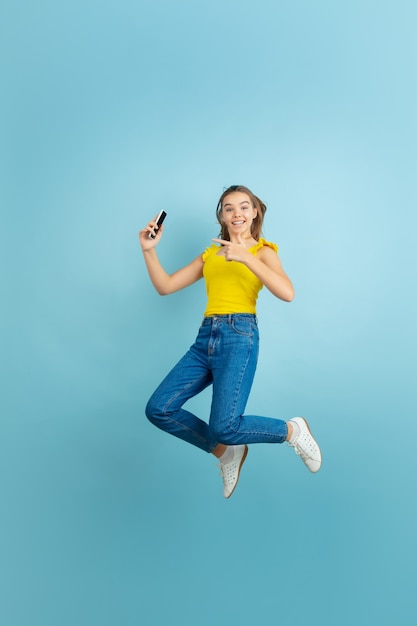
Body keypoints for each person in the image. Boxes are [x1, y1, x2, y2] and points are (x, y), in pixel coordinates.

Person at [139, 185, 322, 498]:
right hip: (206, 338)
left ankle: (292, 431)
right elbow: (166, 286)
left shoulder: (263, 251)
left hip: (239, 336)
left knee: (225, 425)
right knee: (159, 408)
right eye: (229, 208)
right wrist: (149, 250)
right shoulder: (212, 254)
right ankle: (226, 452)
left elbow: (287, 292)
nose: (237, 213)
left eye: (243, 207)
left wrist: (245, 257)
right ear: (221, 216)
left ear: (254, 212)